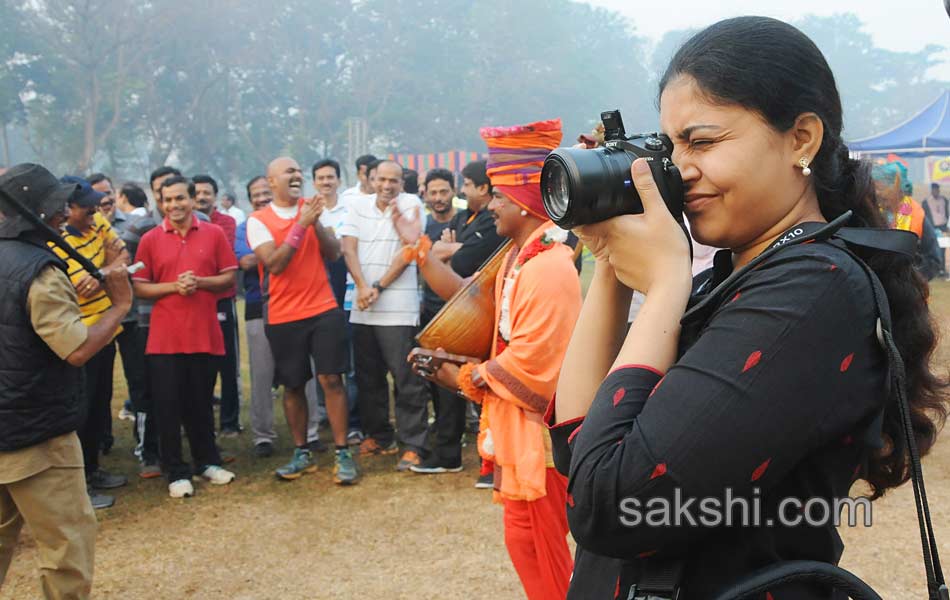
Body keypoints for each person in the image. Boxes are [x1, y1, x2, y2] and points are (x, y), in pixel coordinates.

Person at [547, 17, 948, 599]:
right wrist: (610, 260)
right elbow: (577, 452)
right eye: (671, 146)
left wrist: (663, 283)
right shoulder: (734, 281)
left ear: (802, 139)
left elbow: (612, 507)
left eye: (703, 142)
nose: (680, 171)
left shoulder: (816, 288)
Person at [416, 119, 579, 600]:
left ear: (527, 203)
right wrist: (454, 354)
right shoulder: (516, 257)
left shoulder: (547, 268)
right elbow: (499, 333)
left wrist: (463, 376)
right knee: (522, 539)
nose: (489, 206)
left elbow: (535, 365)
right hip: (516, 430)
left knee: (545, 546)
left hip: (541, 437)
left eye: (501, 198)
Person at [0, 163, 132, 598]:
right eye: (55, 208)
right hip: (36, 438)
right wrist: (119, 305)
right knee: (66, 550)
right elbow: (74, 348)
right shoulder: (40, 272)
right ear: (36, 213)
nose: (63, 215)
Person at [246, 157, 359, 485]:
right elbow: (274, 264)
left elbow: (334, 252)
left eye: (298, 170)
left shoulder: (311, 210)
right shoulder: (258, 219)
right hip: (283, 314)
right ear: (272, 180)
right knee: (293, 384)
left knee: (331, 379)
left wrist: (315, 223)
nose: (296, 176)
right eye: (289, 172)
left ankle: (342, 452)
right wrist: (300, 225)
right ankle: (301, 452)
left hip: (323, 307)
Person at [132, 176, 237, 498]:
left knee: (202, 403)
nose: (174, 206)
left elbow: (229, 277)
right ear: (160, 203)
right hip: (164, 339)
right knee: (167, 406)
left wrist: (200, 283)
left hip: (204, 334)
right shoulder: (150, 238)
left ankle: (207, 461)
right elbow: (139, 286)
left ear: (193, 200)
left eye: (180, 199)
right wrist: (174, 287)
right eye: (167, 200)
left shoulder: (214, 233)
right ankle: (176, 470)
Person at [340, 160, 431, 471]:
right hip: (362, 306)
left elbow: (409, 251)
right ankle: (379, 435)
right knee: (367, 378)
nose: (387, 185)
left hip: (399, 309)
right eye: (382, 179)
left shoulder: (410, 203)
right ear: (371, 179)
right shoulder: (356, 205)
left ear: (401, 182)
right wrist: (364, 287)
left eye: (394, 180)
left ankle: (414, 444)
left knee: (407, 379)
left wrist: (377, 286)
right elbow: (348, 249)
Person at [52, 176, 130, 504]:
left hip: (106, 330)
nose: (95, 214)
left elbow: (121, 255)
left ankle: (94, 468)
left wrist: (104, 272)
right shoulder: (53, 241)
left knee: (100, 403)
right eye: (86, 209)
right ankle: (80, 484)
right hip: (78, 337)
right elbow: (65, 287)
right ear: (67, 209)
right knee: (79, 410)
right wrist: (105, 273)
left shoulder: (96, 221)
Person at [311, 158, 362, 444]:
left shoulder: (351, 210)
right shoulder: (310, 213)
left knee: (350, 365)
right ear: (314, 181)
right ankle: (324, 416)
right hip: (318, 297)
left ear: (338, 181)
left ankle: (353, 422)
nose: (326, 182)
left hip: (349, 297)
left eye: (330, 177)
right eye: (321, 178)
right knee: (323, 365)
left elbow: (349, 249)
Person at [192, 174, 242, 437]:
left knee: (228, 363)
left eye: (206, 193)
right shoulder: (185, 224)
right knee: (199, 362)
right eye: (197, 193)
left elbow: (226, 260)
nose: (201, 197)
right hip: (195, 303)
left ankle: (230, 421)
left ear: (215, 195)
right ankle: (200, 420)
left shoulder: (227, 223)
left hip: (223, 299)